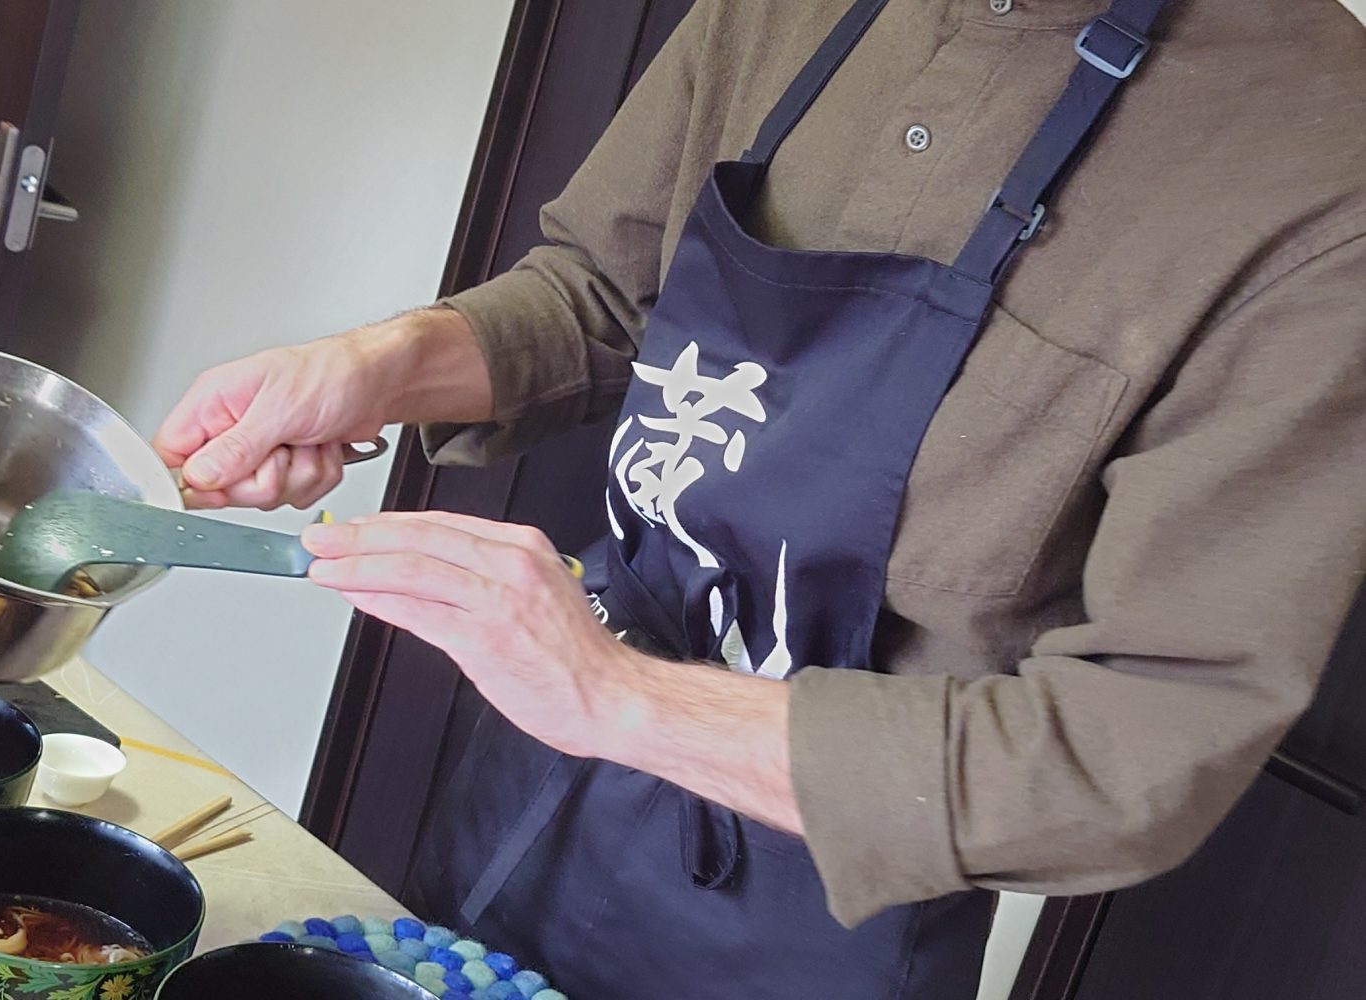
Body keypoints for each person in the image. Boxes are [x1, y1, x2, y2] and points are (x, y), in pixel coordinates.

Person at [156, 0, 1366, 996]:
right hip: (540, 782)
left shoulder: (1320, 177)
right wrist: (382, 364)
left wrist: (616, 695)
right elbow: (603, 292)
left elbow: (1129, 758)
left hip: (819, 902)